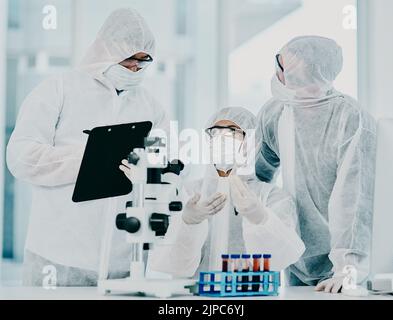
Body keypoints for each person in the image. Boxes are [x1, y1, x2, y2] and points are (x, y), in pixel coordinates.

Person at [7, 8, 169, 286]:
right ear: (107, 50)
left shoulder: (150, 107)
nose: (135, 70)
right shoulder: (59, 89)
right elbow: (21, 157)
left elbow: (164, 167)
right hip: (58, 257)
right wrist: (88, 158)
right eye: (130, 60)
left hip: (124, 259)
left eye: (143, 63)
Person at [256, 36, 377, 293]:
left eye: (283, 67)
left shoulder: (350, 117)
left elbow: (355, 198)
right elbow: (257, 182)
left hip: (344, 265)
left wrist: (348, 269)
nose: (277, 73)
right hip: (295, 257)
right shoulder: (275, 113)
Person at [130, 107, 306, 278]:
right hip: (195, 296)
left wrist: (260, 218)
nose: (222, 139)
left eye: (232, 132)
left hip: (251, 293)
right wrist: (188, 222)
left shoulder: (271, 198)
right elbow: (170, 266)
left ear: (252, 143)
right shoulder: (187, 193)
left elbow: (284, 257)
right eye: (215, 133)